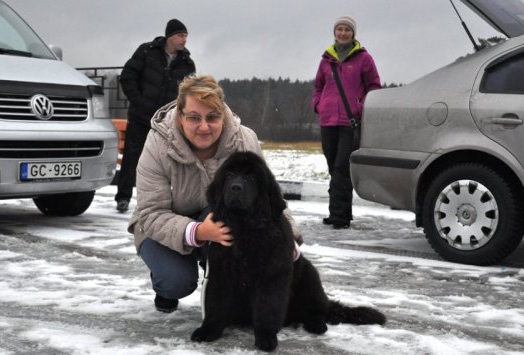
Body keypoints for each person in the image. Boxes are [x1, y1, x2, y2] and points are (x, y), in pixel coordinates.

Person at [127, 75, 302, 313]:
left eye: (212, 117)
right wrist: (198, 232)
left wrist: (288, 237)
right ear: (180, 116)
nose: (204, 127)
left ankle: (224, 287)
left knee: (231, 225)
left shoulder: (244, 140)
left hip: (218, 218)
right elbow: (150, 212)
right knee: (175, 282)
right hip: (160, 226)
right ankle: (167, 286)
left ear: (223, 115)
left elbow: (269, 197)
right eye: (194, 118)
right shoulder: (158, 144)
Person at [116, 18, 196, 213]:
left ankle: (166, 201)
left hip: (166, 123)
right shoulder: (147, 51)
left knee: (167, 162)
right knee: (131, 158)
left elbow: (190, 92)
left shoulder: (187, 63)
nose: (184, 39)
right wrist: (139, 101)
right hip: (140, 117)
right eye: (181, 35)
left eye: (186, 36)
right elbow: (127, 76)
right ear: (170, 36)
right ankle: (123, 198)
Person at [311, 16, 381, 229]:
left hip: (350, 122)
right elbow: (318, 87)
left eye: (347, 30)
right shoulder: (326, 59)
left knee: (342, 167)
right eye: (339, 29)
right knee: (333, 167)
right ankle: (340, 212)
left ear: (353, 33)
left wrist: (361, 109)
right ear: (335, 32)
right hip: (328, 120)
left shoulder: (364, 59)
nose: (343, 33)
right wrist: (318, 105)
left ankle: (339, 217)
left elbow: (374, 87)